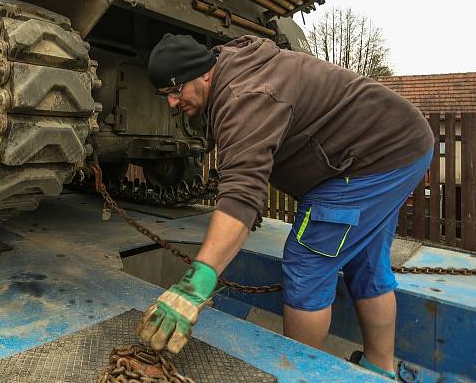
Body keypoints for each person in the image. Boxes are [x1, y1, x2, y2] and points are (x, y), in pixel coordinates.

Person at [138, 34, 432, 379]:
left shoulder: (245, 96)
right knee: (365, 263)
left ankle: (297, 375)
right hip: (400, 145)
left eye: (176, 91)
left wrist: (196, 283)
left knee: (306, 264)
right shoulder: (238, 70)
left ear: (203, 74)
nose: (172, 103)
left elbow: (242, 193)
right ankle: (378, 369)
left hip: (369, 161)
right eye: (165, 96)